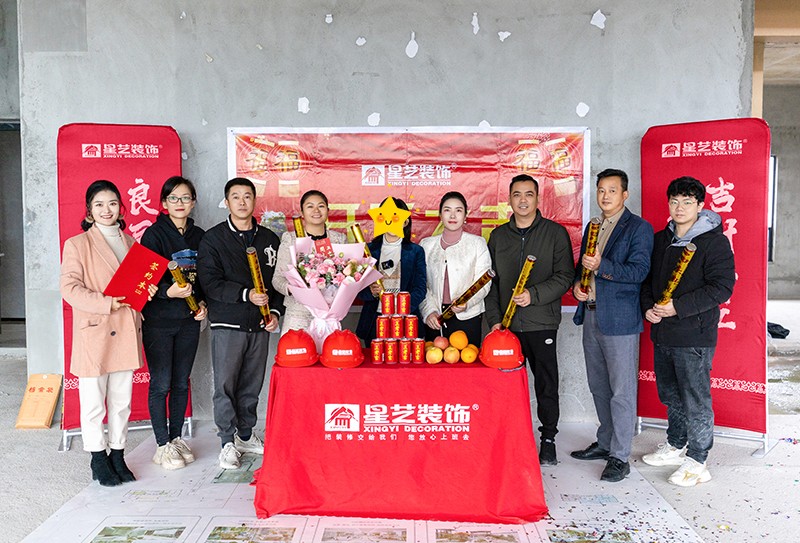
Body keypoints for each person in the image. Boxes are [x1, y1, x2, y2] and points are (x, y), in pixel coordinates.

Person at [60, 180, 157, 486]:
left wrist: (146, 292)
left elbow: (135, 286)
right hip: (96, 331)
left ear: (121, 208)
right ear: (89, 210)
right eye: (99, 204)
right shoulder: (77, 244)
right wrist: (106, 303)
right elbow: (69, 288)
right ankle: (97, 458)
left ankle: (117, 453)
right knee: (93, 402)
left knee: (121, 400)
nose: (106, 209)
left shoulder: (130, 243)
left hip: (125, 329)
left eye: (112, 203)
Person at [640, 176, 735, 487]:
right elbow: (647, 281)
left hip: (694, 335)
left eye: (687, 202)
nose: (679, 208)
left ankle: (697, 460)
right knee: (670, 395)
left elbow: (722, 287)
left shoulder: (714, 242)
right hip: (663, 333)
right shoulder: (660, 240)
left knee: (695, 399)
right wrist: (648, 308)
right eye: (674, 201)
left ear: (700, 205)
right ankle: (676, 444)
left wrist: (677, 307)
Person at [569, 169, 654, 482]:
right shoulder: (593, 227)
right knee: (598, 386)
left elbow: (639, 272)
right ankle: (605, 442)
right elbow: (583, 269)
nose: (605, 196)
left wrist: (601, 266)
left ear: (625, 194)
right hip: (591, 314)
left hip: (620, 320)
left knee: (621, 391)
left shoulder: (639, 228)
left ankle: (620, 456)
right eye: (601, 190)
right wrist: (578, 286)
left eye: (612, 190)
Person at [484, 174, 574, 466]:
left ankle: (548, 439)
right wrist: (495, 320)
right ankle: (509, 439)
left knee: (546, 382)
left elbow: (565, 276)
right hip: (506, 327)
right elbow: (491, 283)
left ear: (538, 198)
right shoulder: (498, 236)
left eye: (529, 194)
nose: (522, 200)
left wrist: (533, 295)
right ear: (509, 199)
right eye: (517, 195)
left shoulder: (555, 233)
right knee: (506, 387)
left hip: (541, 322)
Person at [197, 177, 284, 470]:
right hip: (228, 324)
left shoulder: (269, 239)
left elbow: (278, 282)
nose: (242, 202)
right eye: (236, 197)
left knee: (251, 384)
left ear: (255, 201)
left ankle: (246, 435)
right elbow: (210, 283)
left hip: (260, 324)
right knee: (225, 385)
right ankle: (227, 442)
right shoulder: (213, 239)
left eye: (247, 196)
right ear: (227, 202)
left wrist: (275, 313)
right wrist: (246, 294)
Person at [141, 176, 206, 471]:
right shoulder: (153, 235)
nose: (180, 203)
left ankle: (176, 438)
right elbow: (144, 280)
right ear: (164, 203)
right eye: (173, 198)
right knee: (161, 383)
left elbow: (205, 277)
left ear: (193, 203)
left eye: (185, 198)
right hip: (159, 320)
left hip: (189, 320)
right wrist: (169, 292)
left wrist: (203, 304)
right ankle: (161, 444)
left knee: (181, 382)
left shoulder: (200, 236)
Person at [419, 191, 491, 346]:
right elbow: (421, 284)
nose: (452, 215)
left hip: (468, 316)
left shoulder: (477, 244)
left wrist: (467, 302)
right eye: (447, 210)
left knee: (468, 358)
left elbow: (484, 282)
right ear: (440, 215)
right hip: (435, 318)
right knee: (435, 359)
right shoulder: (426, 245)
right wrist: (429, 311)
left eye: (458, 210)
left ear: (465, 216)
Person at [273, 190, 346, 333]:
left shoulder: (339, 239)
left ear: (328, 210)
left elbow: (346, 278)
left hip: (329, 316)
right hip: (298, 314)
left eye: (321, 206)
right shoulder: (290, 239)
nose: (316, 211)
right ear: (302, 212)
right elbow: (277, 279)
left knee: (331, 348)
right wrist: (296, 289)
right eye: (310, 206)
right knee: (296, 348)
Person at [355, 197, 426, 344]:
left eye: (396, 218)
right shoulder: (368, 251)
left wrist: (402, 308)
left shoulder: (416, 252)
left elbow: (420, 289)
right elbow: (357, 288)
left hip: (405, 322)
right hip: (375, 321)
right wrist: (370, 291)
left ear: (406, 222)